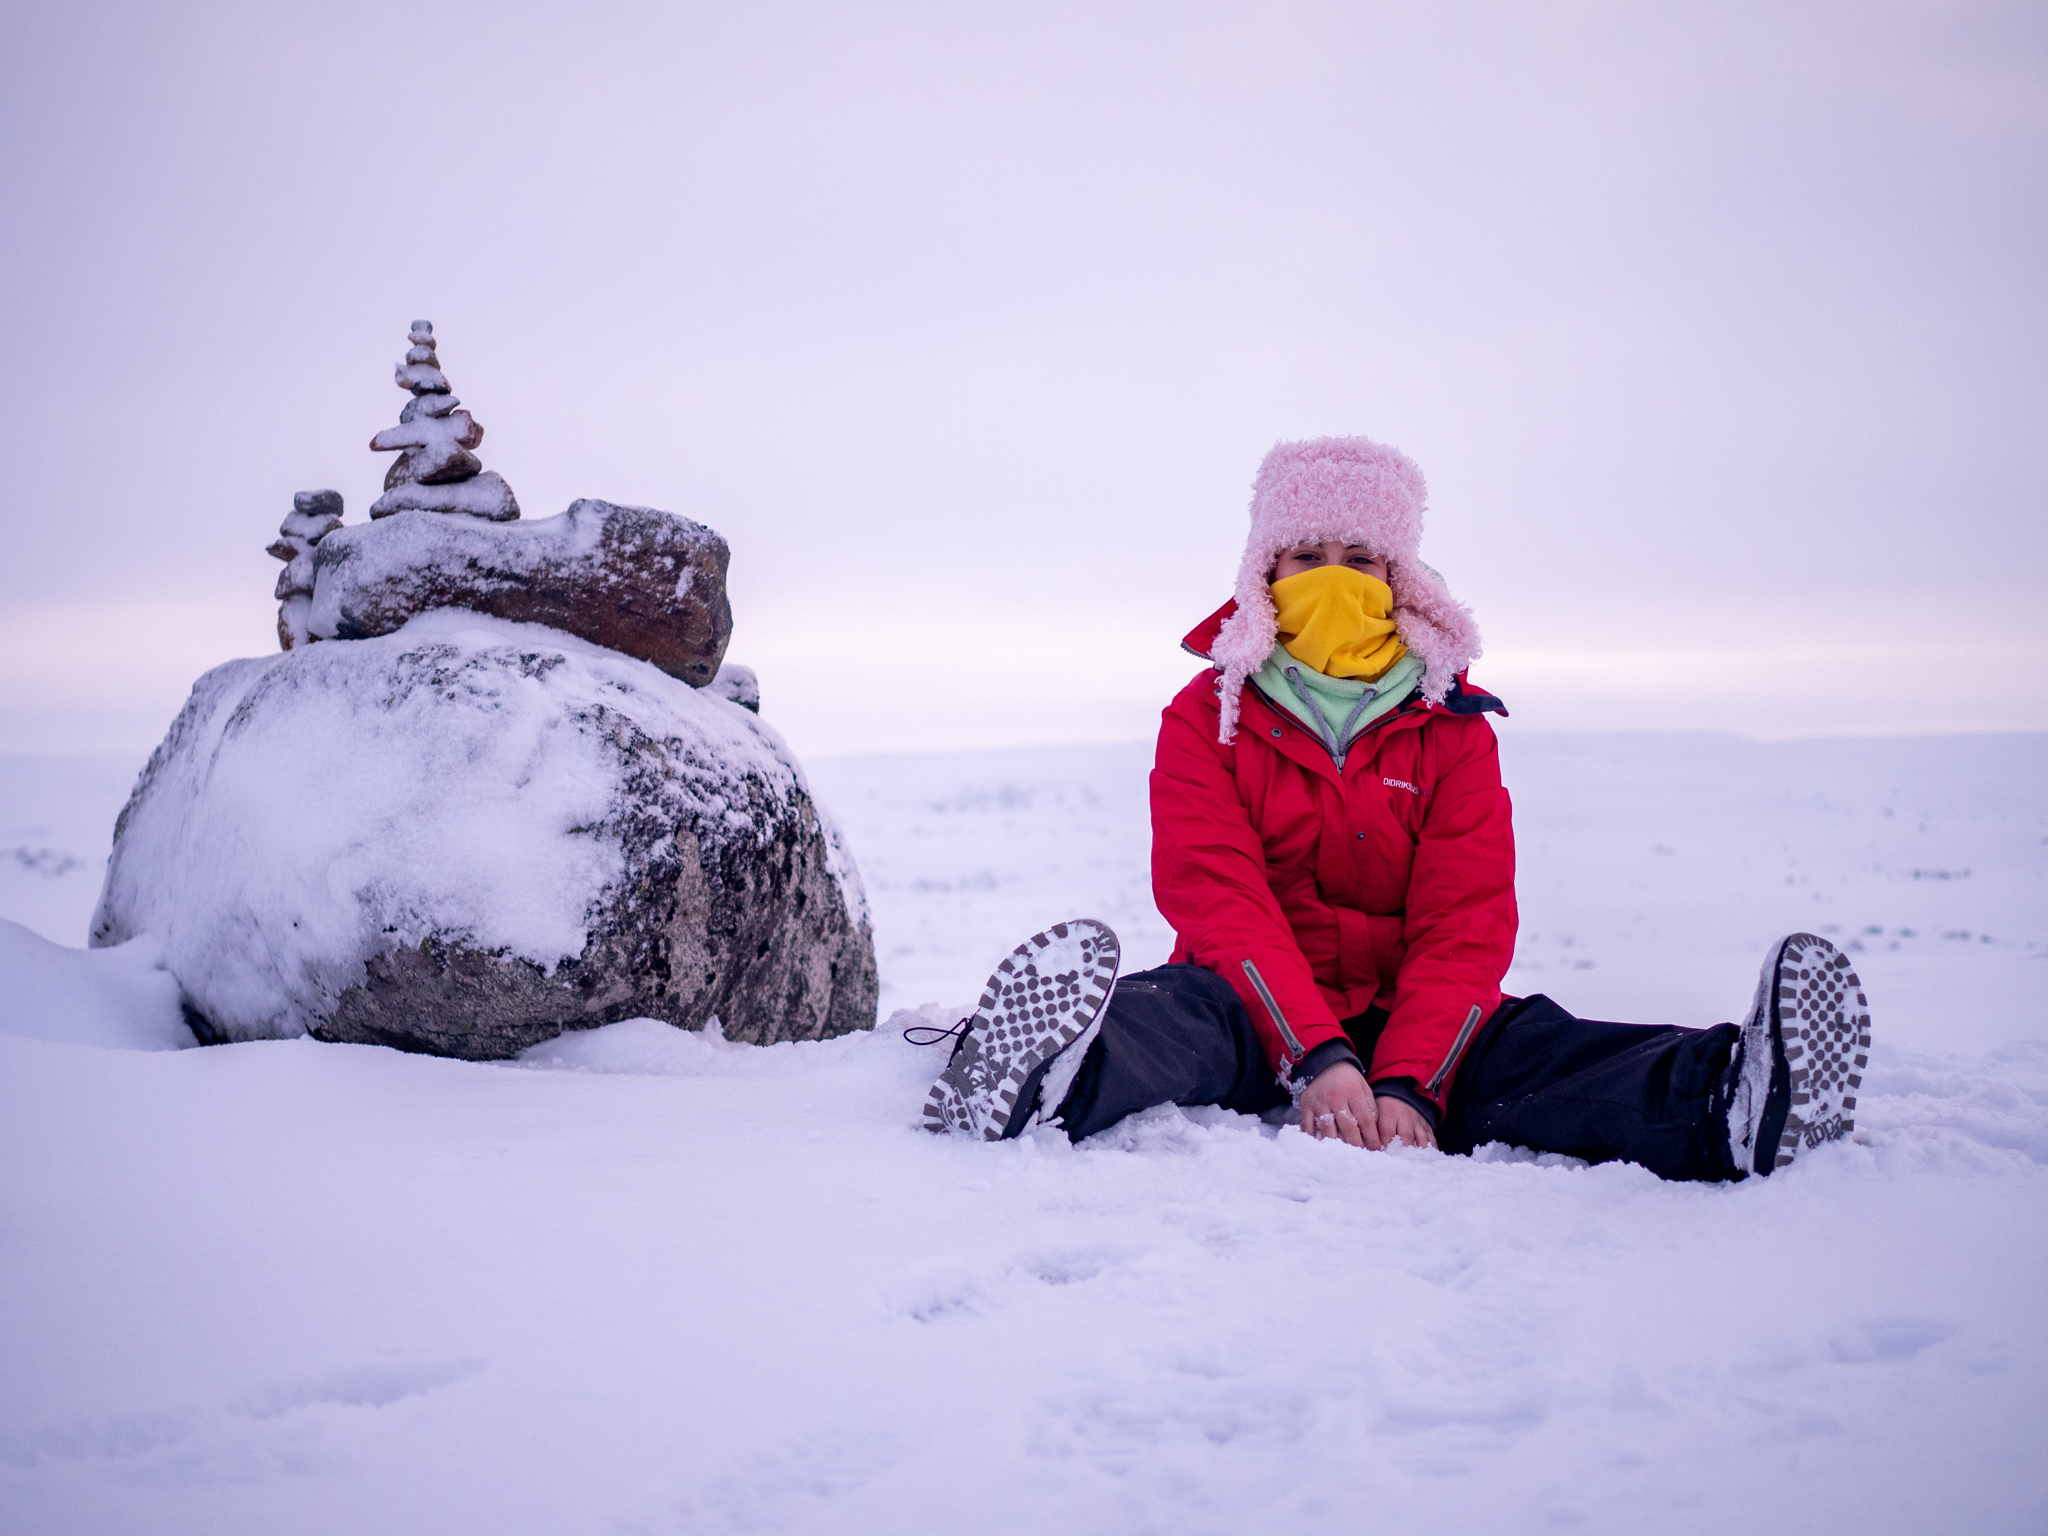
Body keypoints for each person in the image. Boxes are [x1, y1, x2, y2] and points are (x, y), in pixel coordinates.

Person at [918, 436, 1871, 1181]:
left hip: (1414, 1012)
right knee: (1174, 1019)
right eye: (1305, 555)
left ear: (1397, 576)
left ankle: (1732, 1099)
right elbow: (1218, 898)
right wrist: (1317, 1056)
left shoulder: (1452, 725)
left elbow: (1467, 917)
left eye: (1359, 555)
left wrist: (1411, 1078)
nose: (1333, 576)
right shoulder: (1205, 719)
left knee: (1536, 1052)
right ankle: (1035, 1075)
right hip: (1258, 1007)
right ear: (1265, 573)